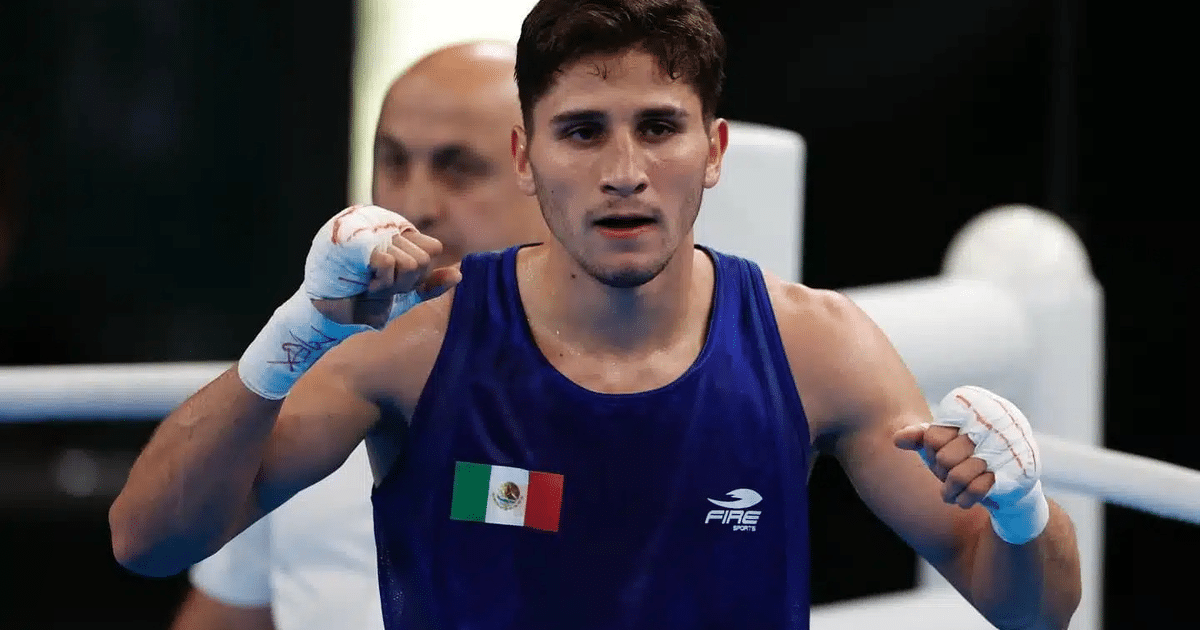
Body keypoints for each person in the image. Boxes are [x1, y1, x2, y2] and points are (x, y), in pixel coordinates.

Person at [111, 1, 1083, 628]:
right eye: (582, 132)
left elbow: (1034, 612)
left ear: (713, 150)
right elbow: (149, 542)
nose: (624, 172)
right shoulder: (415, 346)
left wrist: (1018, 509)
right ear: (529, 157)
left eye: (658, 128)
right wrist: (295, 337)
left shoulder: (814, 346)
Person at [169, 41, 548, 630]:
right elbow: (195, 587)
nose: (414, 205)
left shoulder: (634, 387)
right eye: (393, 161)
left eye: (460, 168)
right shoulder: (310, 392)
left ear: (546, 174)